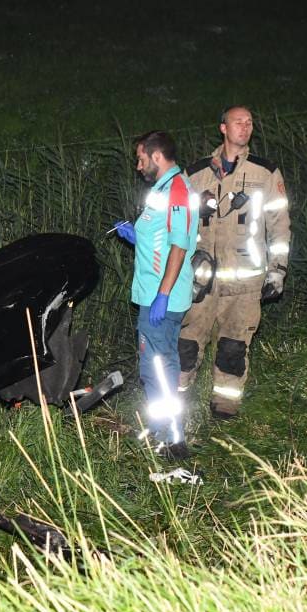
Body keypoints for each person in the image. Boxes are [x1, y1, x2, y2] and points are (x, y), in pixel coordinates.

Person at [177, 106, 291, 420]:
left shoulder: (265, 172)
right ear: (223, 128)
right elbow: (175, 223)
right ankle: (175, 403)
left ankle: (225, 408)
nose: (245, 126)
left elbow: (279, 224)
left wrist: (278, 269)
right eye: (238, 122)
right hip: (201, 282)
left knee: (233, 348)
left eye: (250, 122)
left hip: (245, 284)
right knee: (186, 345)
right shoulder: (197, 173)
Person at [115, 131, 199, 458]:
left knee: (156, 369)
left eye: (141, 158)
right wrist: (135, 236)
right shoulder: (162, 190)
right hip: (155, 294)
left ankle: (172, 439)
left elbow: (179, 245)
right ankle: (169, 432)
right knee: (166, 364)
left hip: (161, 298)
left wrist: (163, 295)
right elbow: (160, 239)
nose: (138, 166)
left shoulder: (177, 190)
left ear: (156, 157)